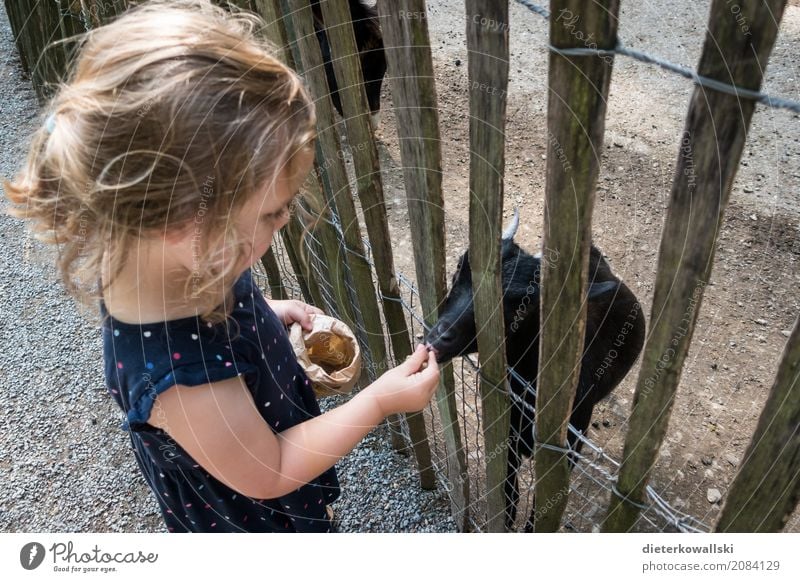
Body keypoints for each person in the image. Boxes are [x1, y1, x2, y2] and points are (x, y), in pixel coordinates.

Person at [4, 0, 439, 533]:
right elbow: (271, 469)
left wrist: (265, 311)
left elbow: (219, 313)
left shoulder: (175, 258)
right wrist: (379, 402)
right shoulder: (179, 382)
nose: (284, 223)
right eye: (273, 212)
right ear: (185, 223)